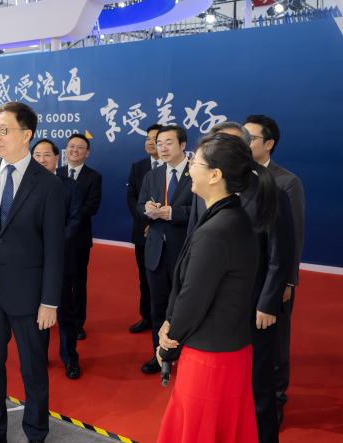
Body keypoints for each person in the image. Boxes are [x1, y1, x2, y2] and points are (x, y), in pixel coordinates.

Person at [156, 133, 280, 443]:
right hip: (229, 352)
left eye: (195, 163)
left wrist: (168, 340)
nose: (189, 169)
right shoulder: (233, 219)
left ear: (215, 175)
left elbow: (193, 299)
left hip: (209, 361)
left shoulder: (217, 230)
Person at [0, 102, 64, 443]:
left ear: (27, 135)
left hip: (31, 296)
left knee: (33, 370)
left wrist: (50, 300)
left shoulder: (48, 184)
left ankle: (35, 432)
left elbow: (54, 248)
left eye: (4, 130)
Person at [244, 114, 305, 425]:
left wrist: (287, 284)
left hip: (275, 282)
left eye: (250, 137)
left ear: (268, 144)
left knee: (276, 343)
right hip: (244, 282)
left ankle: (277, 398)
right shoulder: (237, 178)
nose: (243, 141)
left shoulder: (286, 182)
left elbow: (291, 242)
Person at [137, 125, 193, 374]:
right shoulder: (153, 175)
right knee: (158, 306)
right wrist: (147, 208)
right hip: (156, 252)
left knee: (184, 306)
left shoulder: (198, 172)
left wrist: (173, 213)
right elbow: (139, 205)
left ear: (183, 145)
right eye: (159, 143)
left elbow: (204, 211)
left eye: (169, 142)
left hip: (186, 252)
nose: (163, 147)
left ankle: (187, 356)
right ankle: (159, 355)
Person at [32, 138, 81, 379]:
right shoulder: (22, 185)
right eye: (37, 155)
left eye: (46, 155)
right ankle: (39, 356)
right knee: (35, 313)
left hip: (62, 259)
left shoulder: (70, 186)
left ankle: (70, 357)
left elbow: (74, 221)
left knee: (65, 312)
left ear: (56, 158)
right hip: (31, 263)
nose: (42, 160)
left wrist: (53, 245)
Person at [57, 133, 102, 340]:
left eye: (80, 147)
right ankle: (59, 316)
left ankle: (78, 322)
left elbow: (91, 207)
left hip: (79, 239)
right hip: (56, 238)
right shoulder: (56, 174)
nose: (74, 150)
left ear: (87, 153)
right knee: (59, 281)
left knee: (78, 282)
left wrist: (70, 220)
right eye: (71, 146)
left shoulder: (93, 177)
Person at [126, 124, 162, 334]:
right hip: (142, 231)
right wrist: (146, 223)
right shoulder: (138, 167)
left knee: (165, 279)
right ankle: (146, 316)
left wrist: (156, 225)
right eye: (147, 138)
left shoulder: (178, 169)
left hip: (167, 232)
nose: (149, 142)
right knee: (144, 277)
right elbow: (132, 199)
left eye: (155, 138)